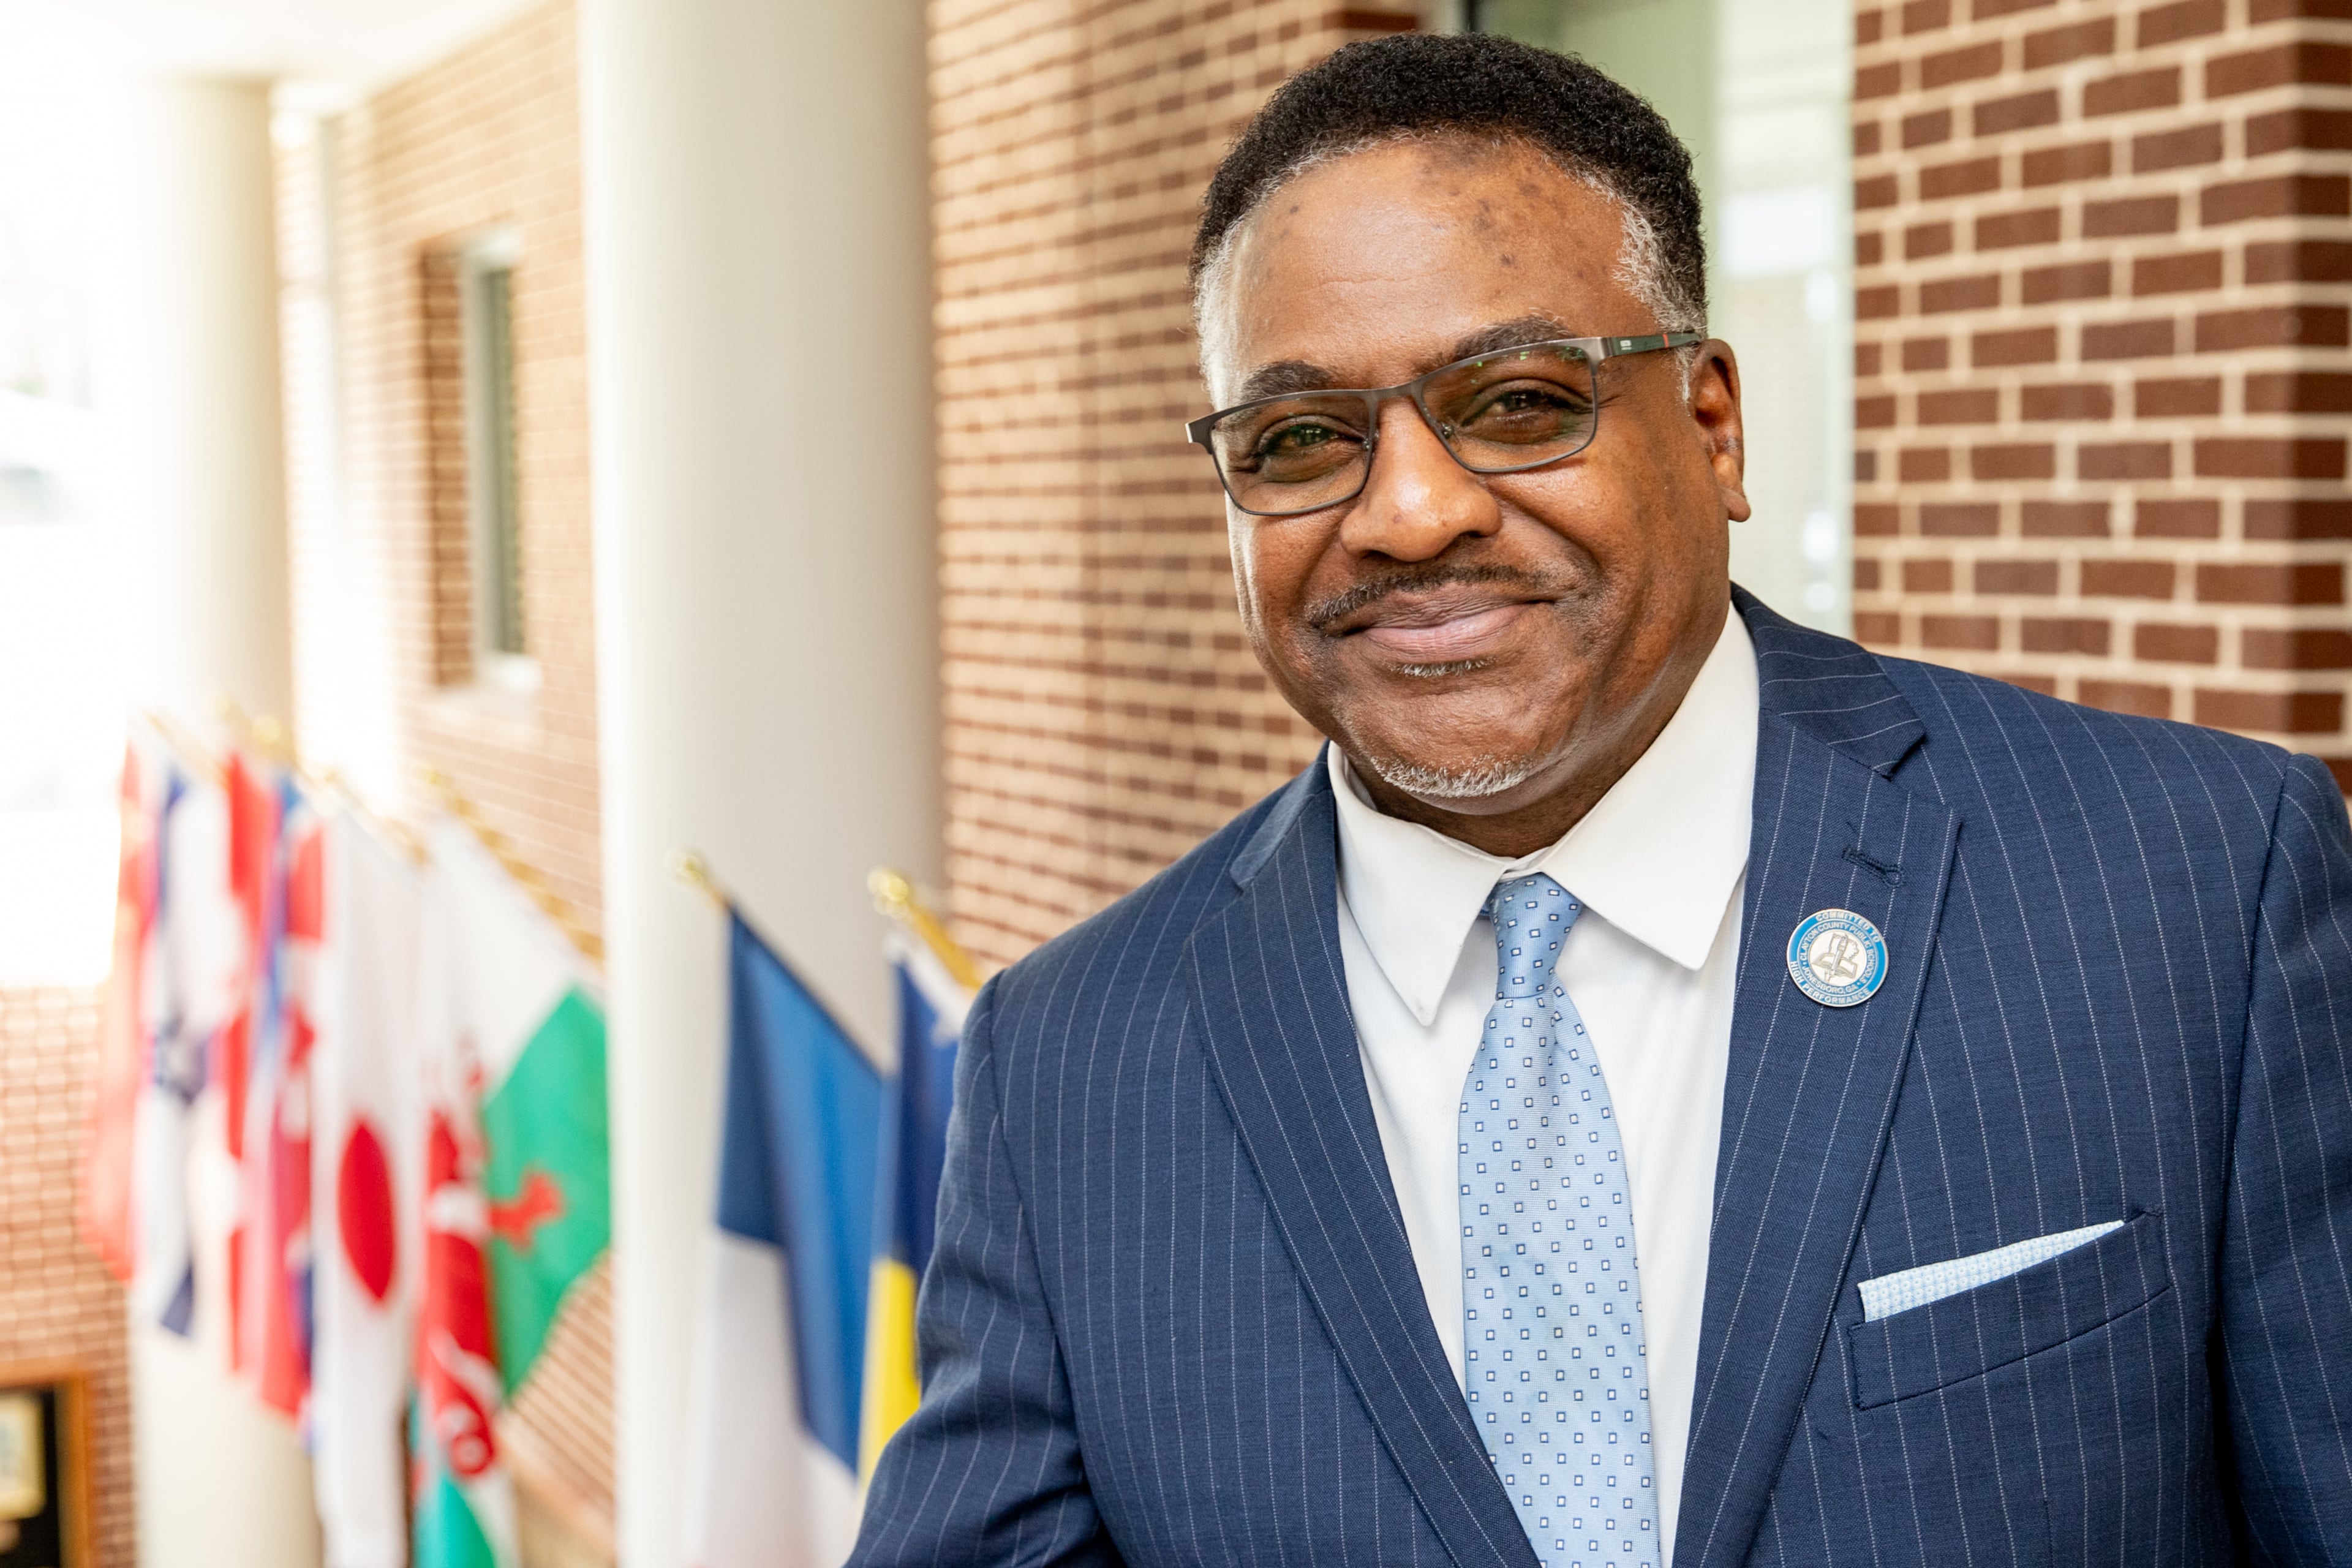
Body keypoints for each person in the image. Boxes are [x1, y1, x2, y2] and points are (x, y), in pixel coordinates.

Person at [851, 32, 2352, 1568]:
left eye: (1515, 401)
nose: (1412, 511)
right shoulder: (1068, 1065)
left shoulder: (2190, 893)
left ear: (1713, 425)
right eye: (1300, 438)